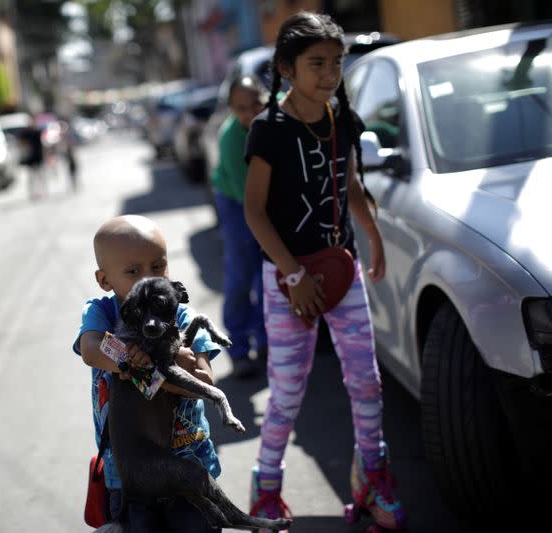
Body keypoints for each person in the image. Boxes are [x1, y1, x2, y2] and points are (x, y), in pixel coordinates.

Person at [243, 12, 406, 530]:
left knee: (367, 382)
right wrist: (293, 275)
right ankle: (266, 490)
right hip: (288, 283)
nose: (330, 73)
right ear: (287, 69)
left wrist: (374, 236)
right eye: (317, 63)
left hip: (343, 272)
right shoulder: (268, 131)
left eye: (336, 62)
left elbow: (350, 187)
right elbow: (254, 211)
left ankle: (372, 479)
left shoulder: (343, 121)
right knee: (287, 393)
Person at [74, 214, 223, 533]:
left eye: (158, 266)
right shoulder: (102, 312)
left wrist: (176, 367)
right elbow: (91, 348)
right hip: (128, 474)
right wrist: (130, 361)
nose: (147, 279)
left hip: (189, 464)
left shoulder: (182, 315)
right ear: (105, 280)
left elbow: (205, 382)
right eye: (132, 271)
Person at [211, 75, 268, 379]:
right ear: (232, 109)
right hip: (237, 203)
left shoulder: (276, 120)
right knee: (240, 276)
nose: (250, 113)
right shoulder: (231, 138)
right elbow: (250, 195)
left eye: (256, 104)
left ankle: (266, 341)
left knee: (267, 279)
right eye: (241, 108)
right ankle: (239, 349)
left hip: (265, 204)